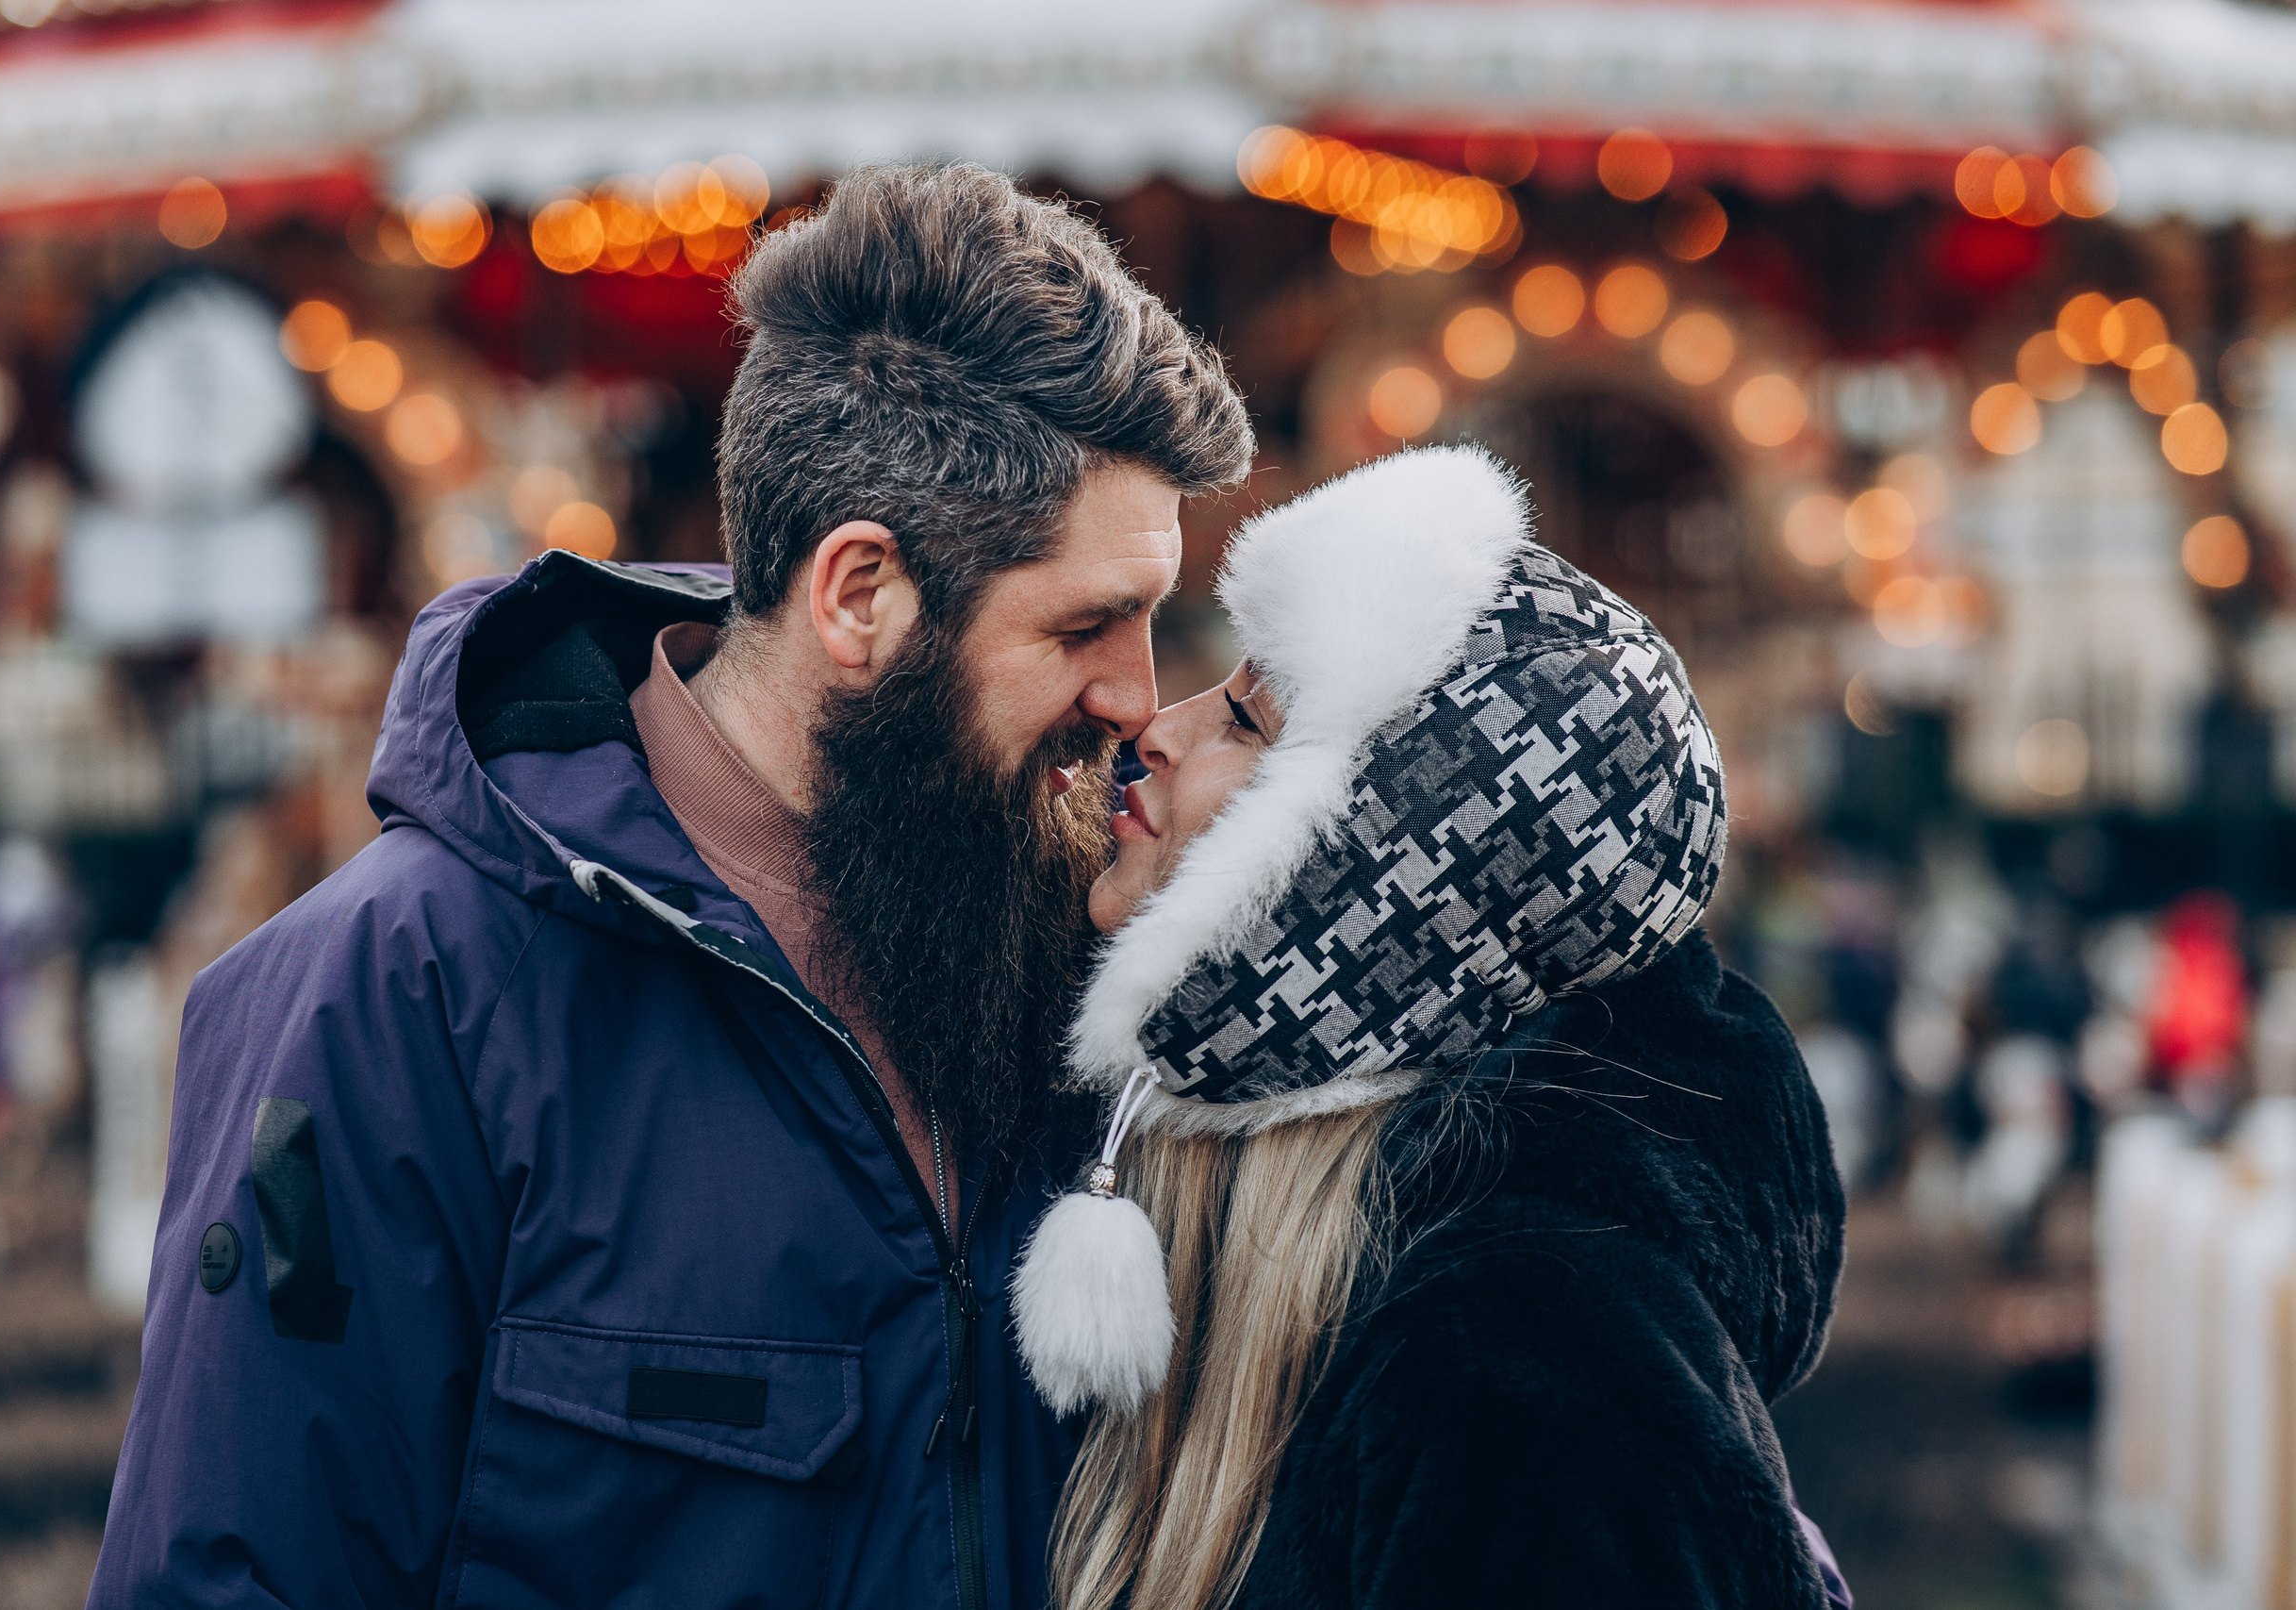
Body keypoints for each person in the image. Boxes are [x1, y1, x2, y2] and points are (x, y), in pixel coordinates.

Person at [89, 162, 1252, 1609]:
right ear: (860, 594)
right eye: (1089, 623)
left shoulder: (1068, 938)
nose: (1142, 698)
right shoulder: (395, 992)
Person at [1011, 446, 1849, 1609]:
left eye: (1250, 722)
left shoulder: (1530, 1373)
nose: (1160, 726)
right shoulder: (1311, 1246)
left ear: (1364, 876)